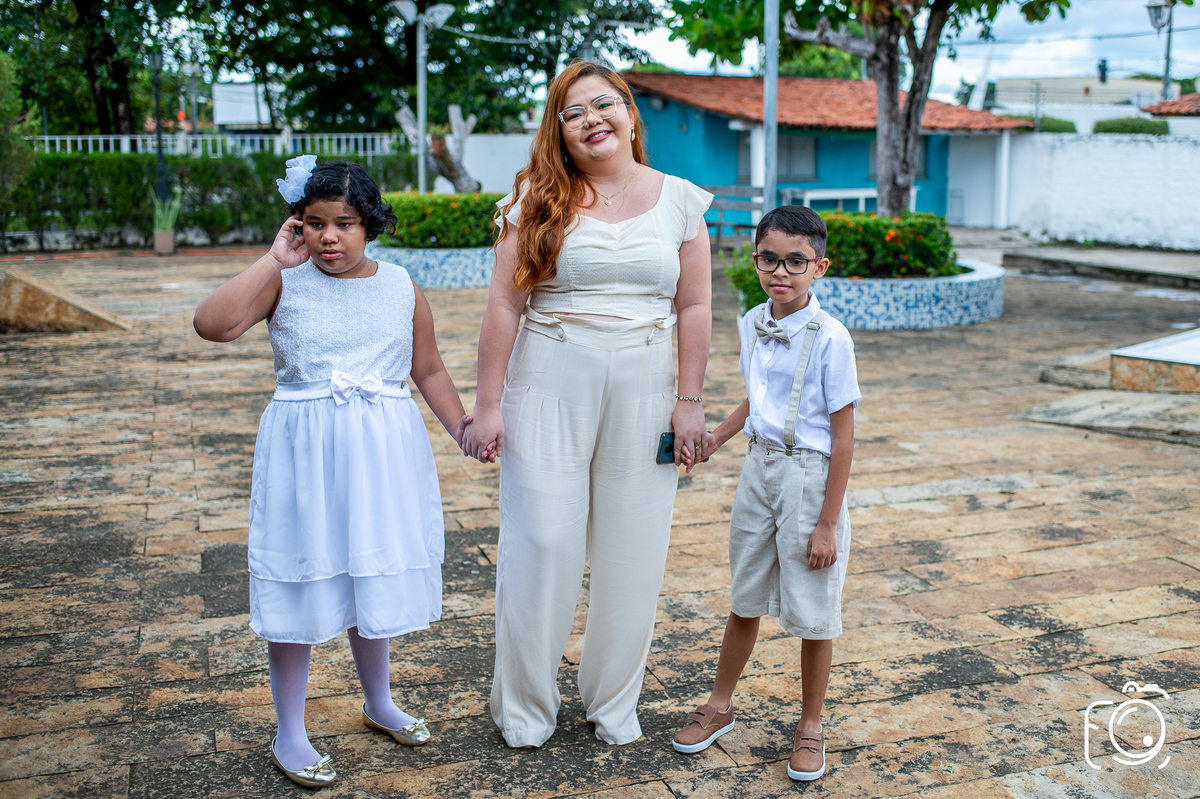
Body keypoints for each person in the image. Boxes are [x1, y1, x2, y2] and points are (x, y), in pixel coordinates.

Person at [193, 158, 471, 788]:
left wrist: (463, 429)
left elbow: (426, 370)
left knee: (365, 572)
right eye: (313, 223)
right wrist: (273, 261)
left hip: (381, 453)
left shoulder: (401, 285)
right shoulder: (284, 281)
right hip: (304, 455)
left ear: (369, 224)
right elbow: (212, 325)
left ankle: (379, 701)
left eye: (344, 223)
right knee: (301, 574)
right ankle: (289, 729)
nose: (328, 237)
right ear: (296, 225)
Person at [460, 60, 714, 748]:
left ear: (631, 114)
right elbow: (503, 305)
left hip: (648, 385)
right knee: (542, 540)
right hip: (549, 376)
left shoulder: (682, 202)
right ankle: (525, 706)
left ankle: (613, 700)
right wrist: (487, 406)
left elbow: (694, 305)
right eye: (574, 113)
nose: (592, 119)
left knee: (635, 548)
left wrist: (690, 401)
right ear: (561, 132)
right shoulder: (536, 200)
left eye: (604, 104)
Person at [670, 206, 860, 782]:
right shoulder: (753, 322)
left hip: (811, 478)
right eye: (770, 259)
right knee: (744, 594)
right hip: (759, 471)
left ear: (819, 266)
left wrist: (827, 522)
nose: (782, 271)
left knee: (814, 610)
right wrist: (714, 440)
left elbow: (845, 438)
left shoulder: (833, 339)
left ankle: (810, 727)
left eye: (796, 261)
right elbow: (758, 400)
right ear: (755, 261)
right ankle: (720, 706)